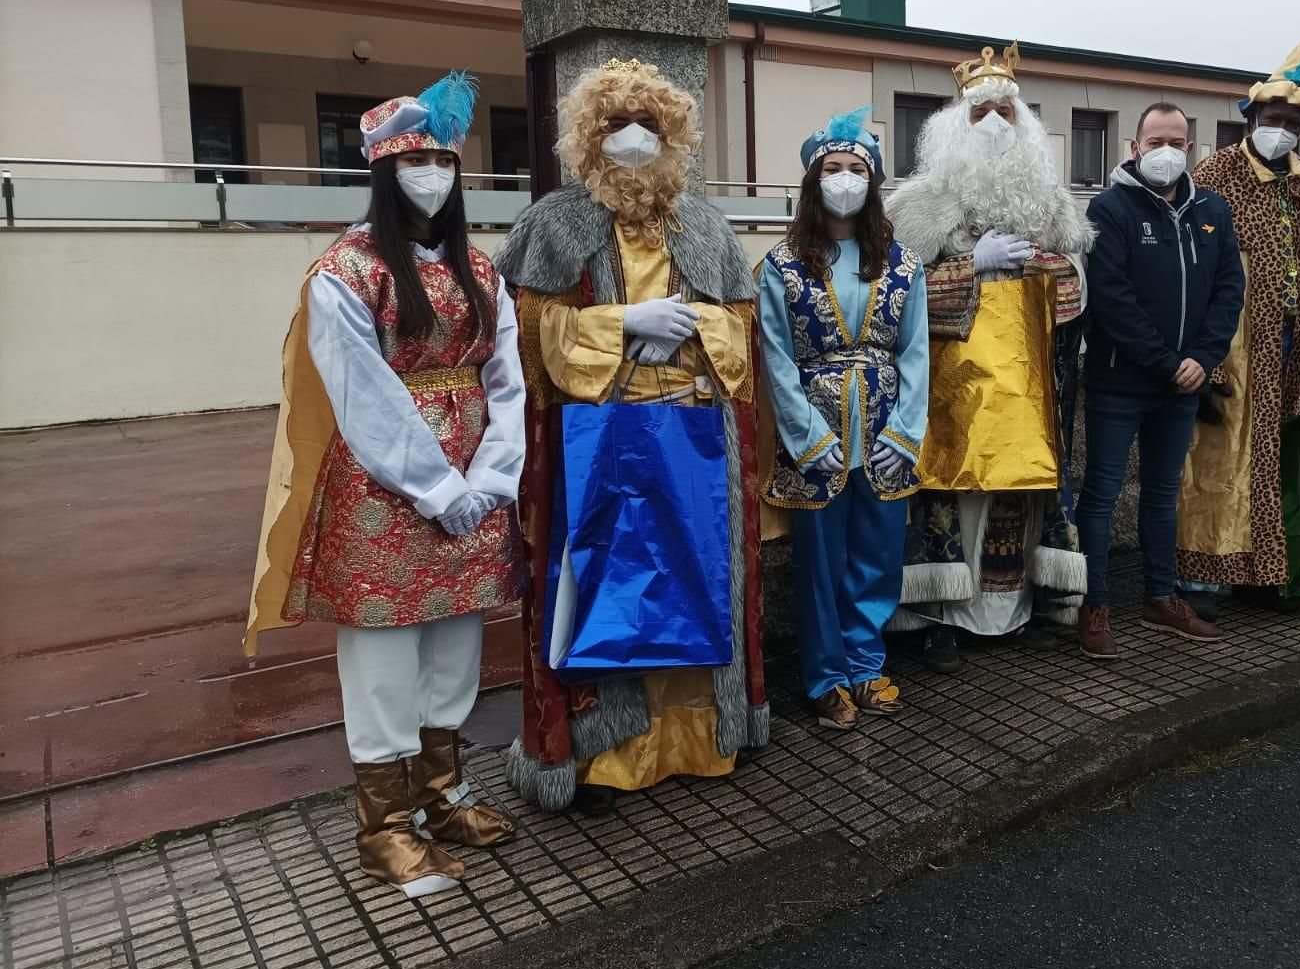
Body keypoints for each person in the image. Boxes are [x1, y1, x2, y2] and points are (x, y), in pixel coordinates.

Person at [246, 72, 525, 899]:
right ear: (382, 168)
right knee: (382, 663)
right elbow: (365, 398)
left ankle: (444, 797)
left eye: (444, 158)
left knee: (456, 651)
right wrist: (440, 488)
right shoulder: (346, 269)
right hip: (385, 497)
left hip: (474, 485)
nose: (432, 174)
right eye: (416, 160)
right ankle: (384, 829)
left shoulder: (481, 267)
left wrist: (493, 475)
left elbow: (505, 380)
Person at [494, 57, 767, 815]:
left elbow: (745, 331)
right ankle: (607, 755)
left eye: (651, 124)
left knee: (699, 576)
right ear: (590, 137)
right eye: (618, 125)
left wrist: (689, 326)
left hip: (693, 439)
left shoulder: (705, 225)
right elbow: (524, 333)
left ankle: (702, 738)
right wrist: (619, 325)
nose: (636, 138)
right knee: (609, 585)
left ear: (675, 135)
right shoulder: (554, 223)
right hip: (602, 444)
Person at [885, 42, 1095, 671]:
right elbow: (892, 294)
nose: (998, 122)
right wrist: (966, 269)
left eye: (1007, 110)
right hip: (954, 388)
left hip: (1029, 387)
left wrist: (1051, 269)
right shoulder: (917, 205)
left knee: (1019, 497)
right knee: (954, 496)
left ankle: (1013, 612)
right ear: (957, 127)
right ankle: (938, 619)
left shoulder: (1052, 205)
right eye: (983, 114)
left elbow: (1079, 287)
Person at [1178, 44, 1300, 610]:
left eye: (1291, 123)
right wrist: (1201, 355)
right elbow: (1189, 269)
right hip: (1229, 344)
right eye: (1271, 120)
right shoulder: (1215, 176)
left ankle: (1267, 572)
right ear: (1251, 120)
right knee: (1219, 458)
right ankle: (1203, 575)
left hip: (1291, 344)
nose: (1279, 131)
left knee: (1281, 460)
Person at [760, 108, 929, 730]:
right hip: (819, 435)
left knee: (877, 558)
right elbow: (775, 357)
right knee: (820, 564)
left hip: (885, 429)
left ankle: (866, 661)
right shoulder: (780, 265)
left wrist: (906, 433)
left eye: (856, 169)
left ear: (874, 180)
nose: (845, 179)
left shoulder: (903, 264)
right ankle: (826, 676)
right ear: (812, 181)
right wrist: (807, 437)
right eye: (832, 169)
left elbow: (916, 353)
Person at [1075, 103, 1245, 658]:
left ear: (1190, 149)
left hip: (1184, 383)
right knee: (1099, 498)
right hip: (1120, 382)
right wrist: (1166, 361)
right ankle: (1093, 605)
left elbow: (1228, 291)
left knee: (1163, 495)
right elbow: (1111, 297)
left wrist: (1202, 356)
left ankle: (1157, 597)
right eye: (1155, 141)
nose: (1166, 151)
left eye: (1177, 141)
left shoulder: (1212, 211)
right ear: (1135, 148)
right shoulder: (1109, 209)